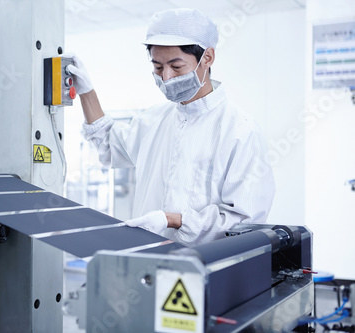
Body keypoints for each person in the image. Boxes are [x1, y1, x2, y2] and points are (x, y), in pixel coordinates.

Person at [67, 8, 275, 246]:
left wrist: (173, 220)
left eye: (176, 67)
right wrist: (86, 92)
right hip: (148, 262)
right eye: (157, 67)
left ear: (207, 58)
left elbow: (244, 223)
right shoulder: (154, 119)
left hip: (205, 270)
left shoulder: (239, 130)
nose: (166, 78)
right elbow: (109, 144)